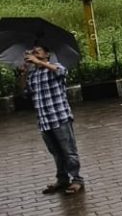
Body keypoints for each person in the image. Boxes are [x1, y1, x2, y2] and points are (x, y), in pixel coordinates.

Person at [20, 46, 83, 194]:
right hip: (44, 121)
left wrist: (38, 62)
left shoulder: (55, 67)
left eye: (38, 51)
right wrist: (22, 75)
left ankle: (77, 179)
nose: (34, 53)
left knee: (69, 151)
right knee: (56, 152)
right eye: (32, 51)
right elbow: (24, 93)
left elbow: (61, 72)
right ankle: (62, 179)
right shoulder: (33, 74)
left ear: (47, 54)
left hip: (60, 118)